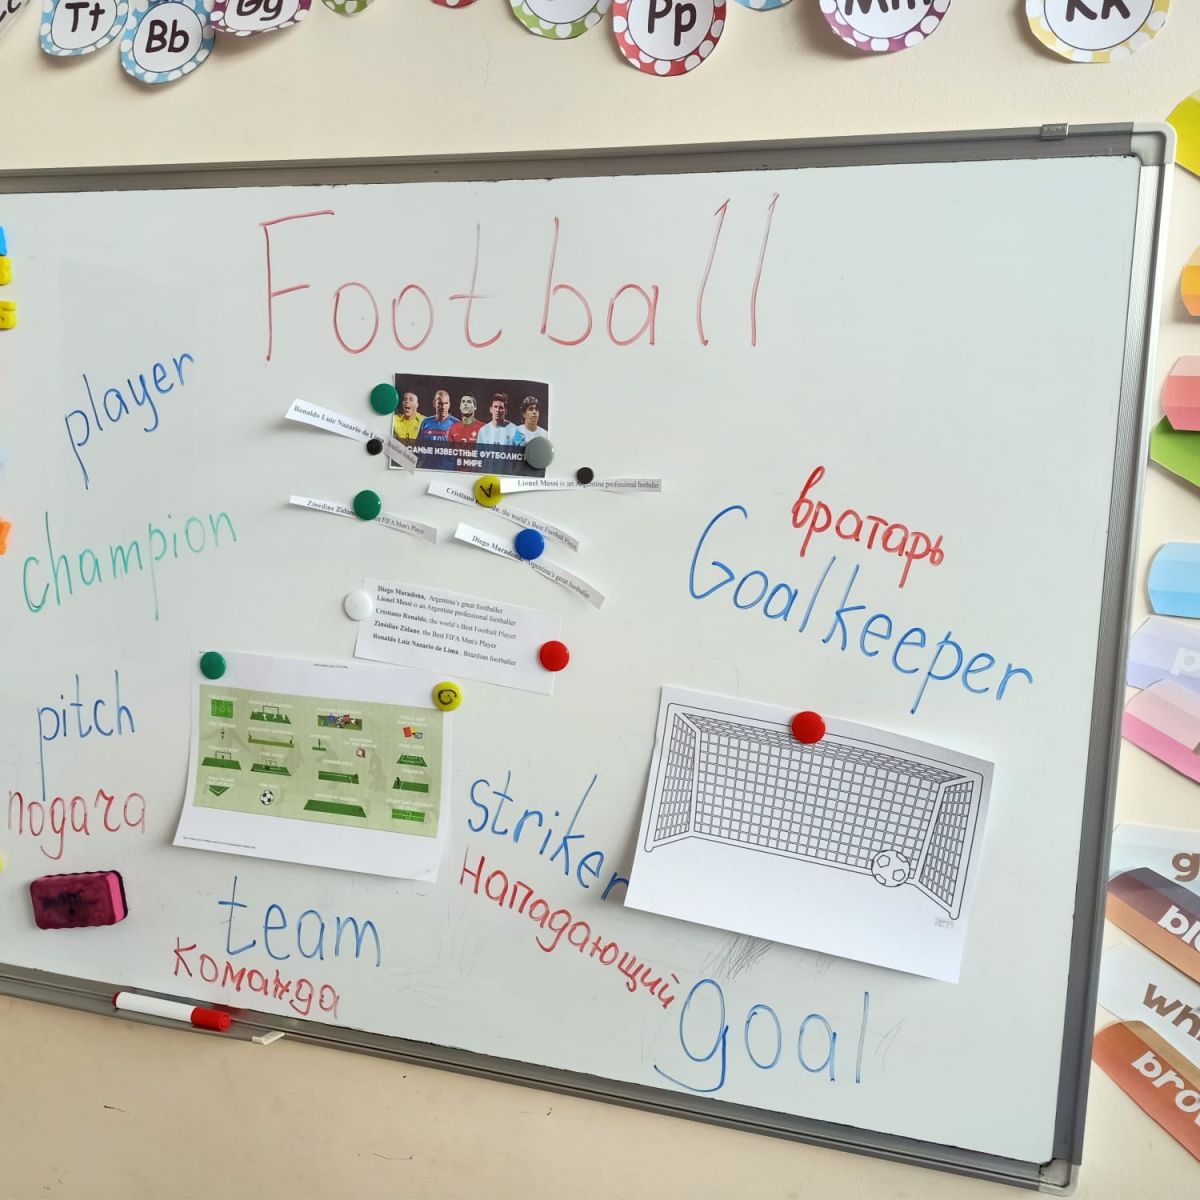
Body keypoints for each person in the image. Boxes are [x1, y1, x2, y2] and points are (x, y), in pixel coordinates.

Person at [416, 389, 459, 470]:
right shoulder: (425, 422)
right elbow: (417, 449)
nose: (443, 407)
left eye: (446, 403)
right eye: (440, 403)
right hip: (427, 470)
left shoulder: (457, 424)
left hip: (447, 471)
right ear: (434, 404)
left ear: (449, 405)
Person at [476, 392, 518, 474]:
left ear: (506, 411)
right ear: (490, 409)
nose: (498, 410)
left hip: (506, 475)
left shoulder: (514, 430)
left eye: (501, 407)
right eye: (495, 407)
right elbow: (478, 457)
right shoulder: (483, 431)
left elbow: (519, 457)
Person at [447, 395, 482, 471]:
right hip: (457, 472)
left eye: (469, 402)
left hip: (476, 473)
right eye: (463, 402)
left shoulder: (483, 428)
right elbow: (449, 454)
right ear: (460, 407)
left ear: (475, 407)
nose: (465, 404)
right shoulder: (453, 428)